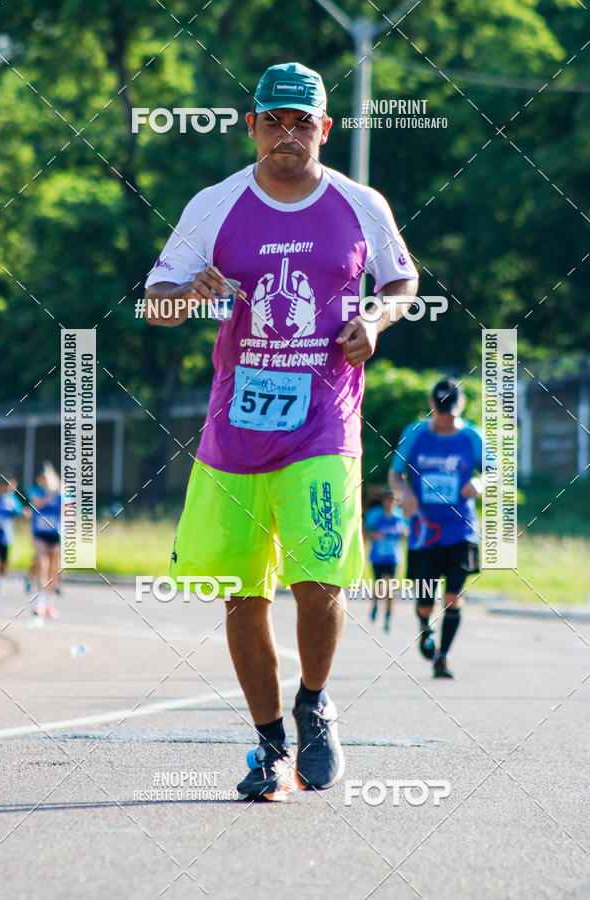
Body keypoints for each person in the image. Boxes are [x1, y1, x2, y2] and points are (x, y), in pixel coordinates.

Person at [145, 62, 419, 800]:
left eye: (304, 122)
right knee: (241, 593)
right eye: (275, 120)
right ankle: (269, 743)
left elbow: (402, 281)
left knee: (319, 575)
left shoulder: (360, 204)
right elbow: (155, 302)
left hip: (324, 424)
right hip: (236, 430)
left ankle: (315, 704)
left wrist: (376, 318)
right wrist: (187, 293)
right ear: (252, 125)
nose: (288, 134)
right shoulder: (215, 205)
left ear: (325, 130)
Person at [390, 378, 483, 679]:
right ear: (432, 406)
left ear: (462, 407)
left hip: (460, 529)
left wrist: (480, 483)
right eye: (441, 412)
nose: (445, 419)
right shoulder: (414, 434)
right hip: (424, 530)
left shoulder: (473, 437)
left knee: (453, 596)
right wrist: (405, 495)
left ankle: (442, 657)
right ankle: (424, 627)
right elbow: (396, 475)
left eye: (451, 413)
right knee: (426, 602)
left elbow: (495, 472)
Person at [364, 488, 407, 631]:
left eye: (392, 499)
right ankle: (375, 604)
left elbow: (406, 533)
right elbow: (366, 531)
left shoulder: (400, 516)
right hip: (377, 555)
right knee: (379, 585)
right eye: (387, 499)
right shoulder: (375, 515)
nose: (390, 502)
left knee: (392, 588)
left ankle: (388, 617)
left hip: (393, 556)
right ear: (383, 500)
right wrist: (373, 535)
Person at [27, 462, 62, 618]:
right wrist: (52, 494)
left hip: (55, 533)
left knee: (54, 569)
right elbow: (37, 504)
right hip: (40, 532)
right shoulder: (35, 491)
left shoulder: (60, 494)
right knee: (42, 563)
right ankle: (40, 603)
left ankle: (49, 604)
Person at [0, 477, 25, 594]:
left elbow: (20, 512)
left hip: (6, 534)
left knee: (4, 560)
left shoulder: (12, 499)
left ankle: (1, 581)